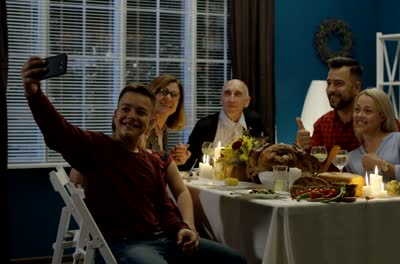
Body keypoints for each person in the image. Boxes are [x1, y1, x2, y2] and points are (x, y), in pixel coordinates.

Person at [22, 56, 246, 264]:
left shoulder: (153, 161)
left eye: (140, 112)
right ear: (115, 115)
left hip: (165, 238)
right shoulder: (96, 147)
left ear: (149, 123)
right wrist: (34, 92)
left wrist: (182, 229)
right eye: (125, 109)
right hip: (125, 245)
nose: (131, 115)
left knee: (235, 259)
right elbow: (57, 131)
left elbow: (164, 206)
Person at [296, 56, 400, 191]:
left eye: (338, 84)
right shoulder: (322, 125)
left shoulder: (381, 122)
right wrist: (301, 148)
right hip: (339, 202)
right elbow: (313, 168)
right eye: (329, 83)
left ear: (356, 87)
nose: (331, 89)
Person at [70, 74, 196, 231]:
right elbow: (128, 158)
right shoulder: (135, 126)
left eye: (174, 94)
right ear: (151, 95)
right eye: (163, 91)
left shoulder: (162, 130)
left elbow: (154, 163)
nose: (168, 97)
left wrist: (173, 160)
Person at [183, 79, 268, 170]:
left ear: (246, 101)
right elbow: (189, 161)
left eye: (237, 94)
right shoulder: (204, 125)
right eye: (227, 93)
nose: (232, 99)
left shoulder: (255, 122)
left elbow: (265, 156)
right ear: (221, 99)